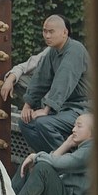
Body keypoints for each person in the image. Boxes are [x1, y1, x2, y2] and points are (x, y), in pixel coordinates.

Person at [19, 15, 90, 153]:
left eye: (51, 32)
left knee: (44, 123)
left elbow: (63, 81)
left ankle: (65, 160)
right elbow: (40, 79)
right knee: (25, 122)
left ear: (65, 32)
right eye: (45, 31)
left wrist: (46, 110)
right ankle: (46, 157)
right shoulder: (53, 52)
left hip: (84, 108)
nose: (47, 36)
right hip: (65, 108)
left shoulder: (75, 50)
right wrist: (27, 106)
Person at [12, 113, 92, 195]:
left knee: (41, 166)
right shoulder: (83, 148)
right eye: (74, 126)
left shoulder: (91, 150)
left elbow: (57, 163)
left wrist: (35, 156)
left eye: (79, 126)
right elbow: (53, 163)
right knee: (30, 165)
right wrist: (67, 144)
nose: (73, 130)